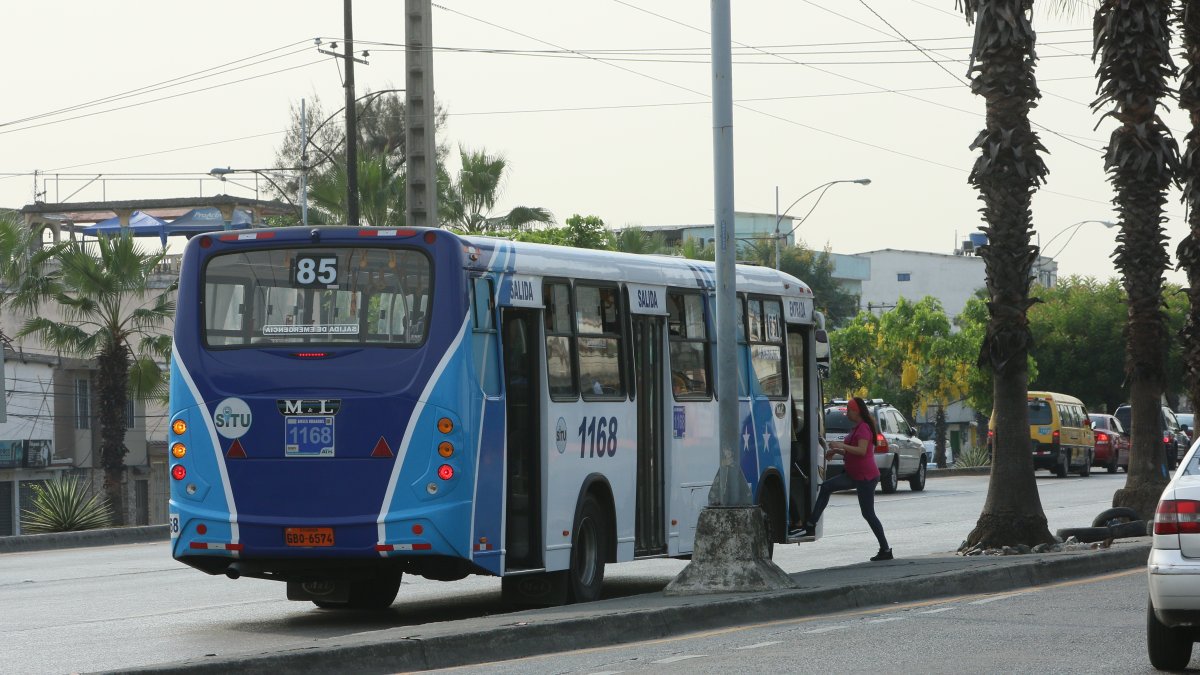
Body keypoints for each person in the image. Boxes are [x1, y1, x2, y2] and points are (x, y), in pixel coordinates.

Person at [789, 396, 893, 562]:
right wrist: (837, 452)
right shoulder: (857, 427)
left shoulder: (864, 428)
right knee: (827, 487)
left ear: (856, 411)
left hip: (865, 477)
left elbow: (861, 451)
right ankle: (810, 525)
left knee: (868, 514)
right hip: (853, 475)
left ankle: (886, 549)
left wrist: (841, 446)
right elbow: (854, 452)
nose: (847, 414)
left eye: (849, 411)